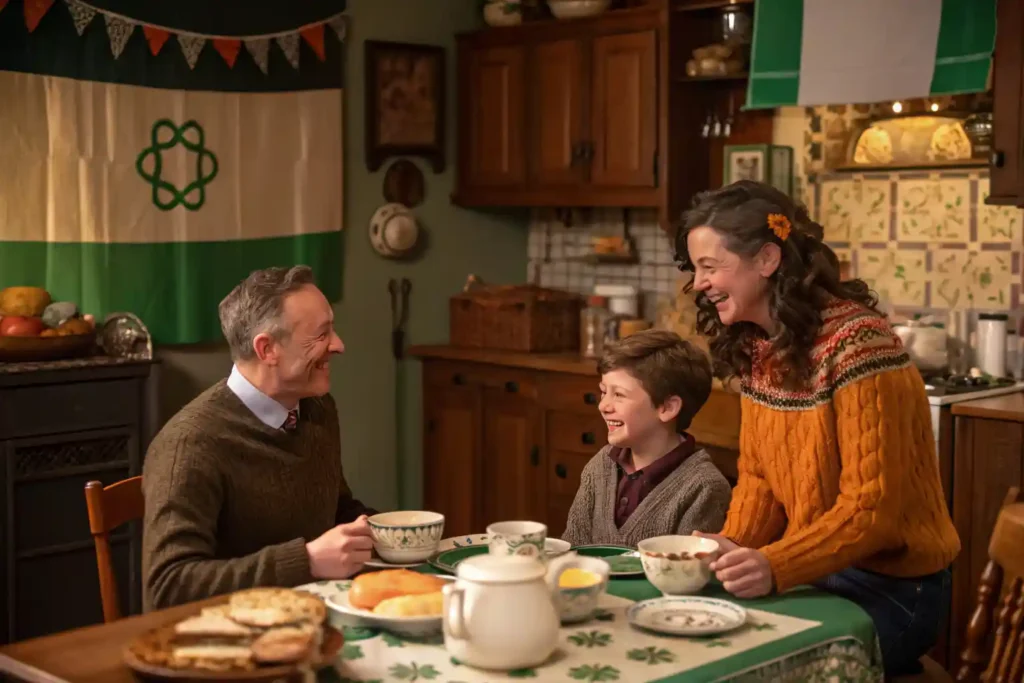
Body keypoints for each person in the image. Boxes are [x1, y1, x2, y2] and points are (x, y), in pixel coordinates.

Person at [674, 180, 960, 677]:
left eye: (710, 267)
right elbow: (760, 478)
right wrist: (732, 548)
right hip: (816, 572)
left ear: (766, 260)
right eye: (697, 268)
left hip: (891, 591)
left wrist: (775, 565)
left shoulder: (858, 342)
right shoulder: (763, 346)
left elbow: (871, 511)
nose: (699, 283)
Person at [142, 265, 377, 610]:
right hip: (225, 642)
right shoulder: (190, 444)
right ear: (267, 349)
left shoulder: (317, 409)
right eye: (321, 334)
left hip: (312, 614)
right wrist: (307, 560)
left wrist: (395, 532)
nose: (338, 345)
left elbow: (336, 510)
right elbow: (167, 587)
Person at [561, 329, 731, 547]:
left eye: (619, 394)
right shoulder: (600, 466)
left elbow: (688, 574)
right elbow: (571, 552)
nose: (603, 406)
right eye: (604, 392)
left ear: (668, 408)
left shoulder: (704, 488)